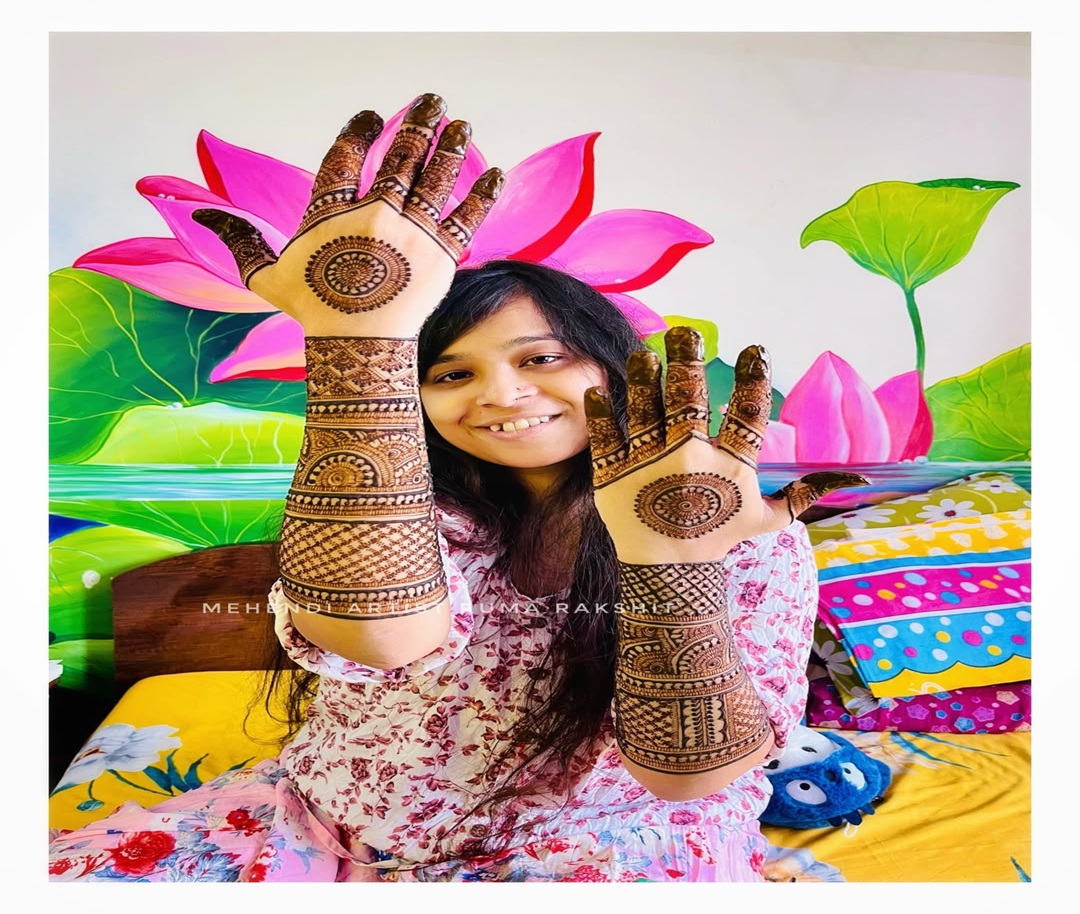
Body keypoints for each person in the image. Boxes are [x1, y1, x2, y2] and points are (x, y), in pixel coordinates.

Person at [47, 93, 866, 883]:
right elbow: (383, 639)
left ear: (615, 369)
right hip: (333, 826)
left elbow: (689, 777)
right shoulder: (401, 507)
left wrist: (668, 566)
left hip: (604, 847)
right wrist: (356, 334)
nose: (502, 395)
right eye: (450, 372)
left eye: (542, 358)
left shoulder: (732, 525)